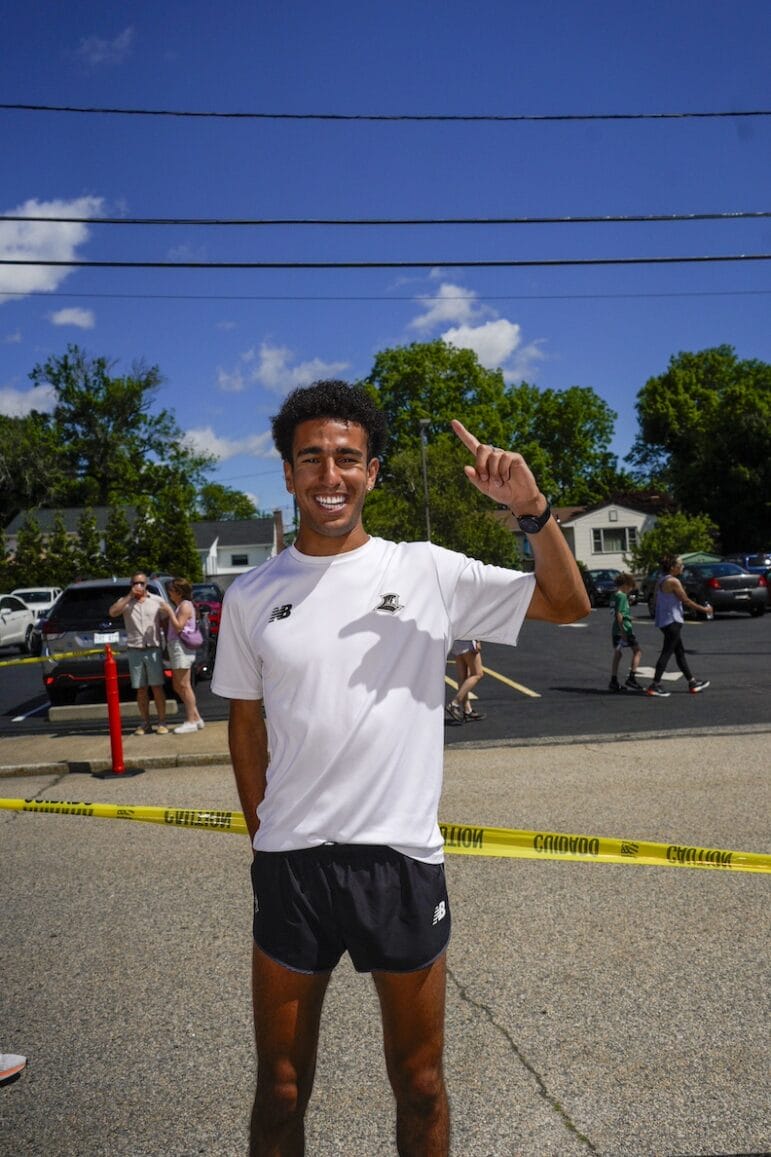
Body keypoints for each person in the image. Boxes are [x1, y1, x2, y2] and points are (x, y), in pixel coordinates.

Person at [212, 380, 589, 1156]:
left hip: (400, 862)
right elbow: (245, 726)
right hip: (291, 867)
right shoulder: (251, 594)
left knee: (419, 1083)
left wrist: (532, 511)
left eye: (347, 457)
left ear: (372, 472)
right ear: (286, 472)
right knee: (279, 1089)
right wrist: (263, 837)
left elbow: (567, 602)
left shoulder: (424, 570)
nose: (329, 475)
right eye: (311, 458)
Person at [108, 572, 169, 734]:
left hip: (153, 648)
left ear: (146, 584)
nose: (138, 586)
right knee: (140, 688)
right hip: (135, 649)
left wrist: (168, 645)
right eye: (135, 583)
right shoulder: (126, 602)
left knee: (157, 687)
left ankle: (162, 721)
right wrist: (129, 596)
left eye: (141, 583)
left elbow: (165, 620)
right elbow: (113, 612)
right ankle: (145, 722)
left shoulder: (156, 600)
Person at [647, 554, 711, 697]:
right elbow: (686, 600)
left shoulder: (661, 580)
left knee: (679, 652)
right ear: (672, 567)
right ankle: (655, 685)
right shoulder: (673, 581)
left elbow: (656, 601)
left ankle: (692, 682)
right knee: (667, 652)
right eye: (680, 565)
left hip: (665, 621)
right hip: (672, 621)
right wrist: (704, 609)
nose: (683, 567)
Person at [163, 577, 205, 734]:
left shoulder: (185, 606)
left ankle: (191, 721)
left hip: (181, 647)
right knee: (177, 685)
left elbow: (179, 627)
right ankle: (196, 717)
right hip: (176, 647)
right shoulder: (182, 605)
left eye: (171, 590)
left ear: (179, 592)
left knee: (184, 685)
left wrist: (169, 611)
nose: (169, 593)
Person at [609, 573, 643, 692]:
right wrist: (623, 632)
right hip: (624, 630)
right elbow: (619, 615)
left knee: (618, 654)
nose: (630, 590)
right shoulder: (622, 596)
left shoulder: (614, 595)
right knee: (637, 651)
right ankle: (631, 678)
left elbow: (615, 612)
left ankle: (613, 680)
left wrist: (629, 616)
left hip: (615, 630)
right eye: (630, 587)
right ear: (625, 585)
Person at [446, 639, 486, 721]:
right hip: (468, 643)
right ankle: (455, 703)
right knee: (478, 674)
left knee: (463, 677)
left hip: (456, 643)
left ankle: (467, 710)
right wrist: (477, 641)